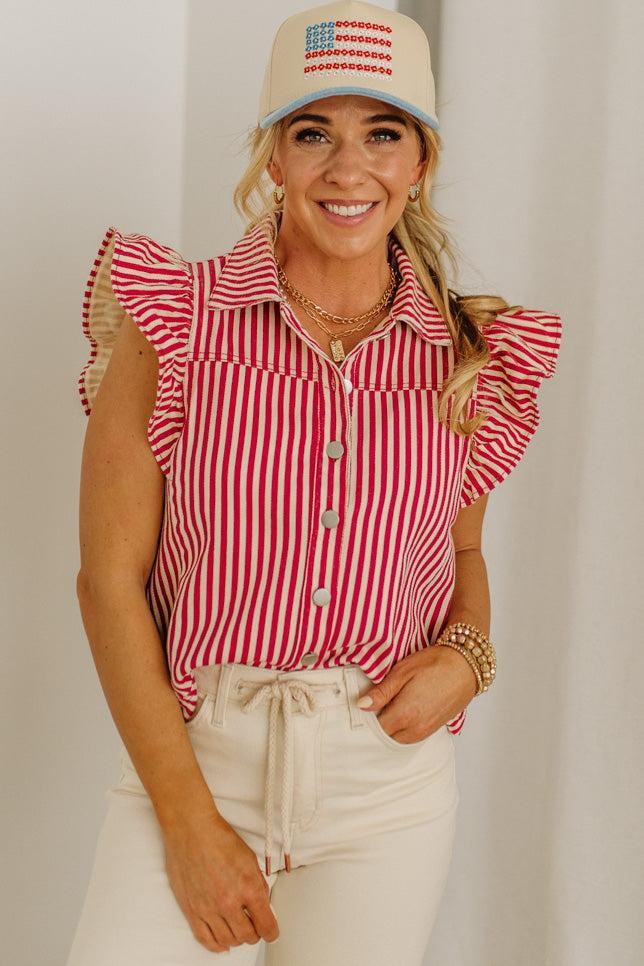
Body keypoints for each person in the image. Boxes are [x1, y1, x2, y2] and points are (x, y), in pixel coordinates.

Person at [67, 2, 563, 964]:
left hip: (387, 790)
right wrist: (189, 822)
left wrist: (470, 653)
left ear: (419, 163)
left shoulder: (467, 354)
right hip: (200, 762)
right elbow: (107, 583)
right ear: (272, 156)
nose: (348, 169)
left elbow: (461, 549)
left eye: (383, 134)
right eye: (312, 133)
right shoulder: (178, 322)